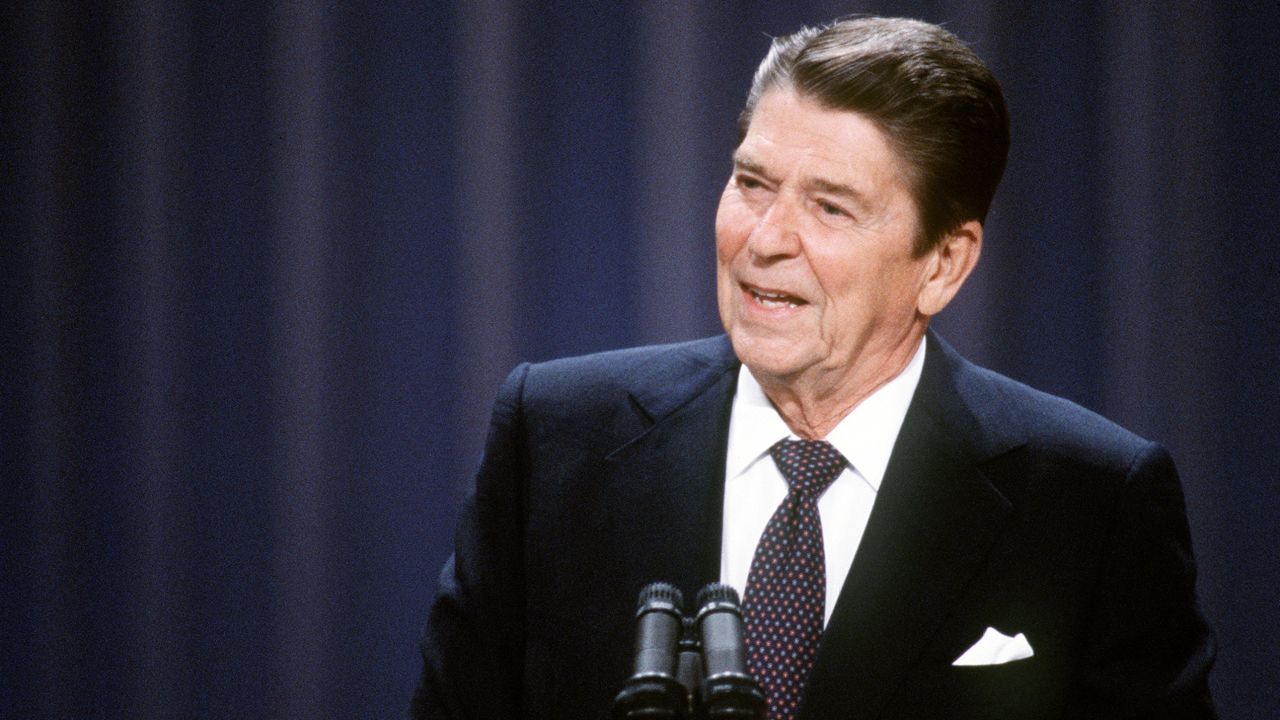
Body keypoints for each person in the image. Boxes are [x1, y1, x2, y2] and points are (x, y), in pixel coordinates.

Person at [411, 16, 1216, 720]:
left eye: (830, 207)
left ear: (943, 262)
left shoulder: (1091, 505)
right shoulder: (556, 437)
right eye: (752, 183)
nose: (766, 239)